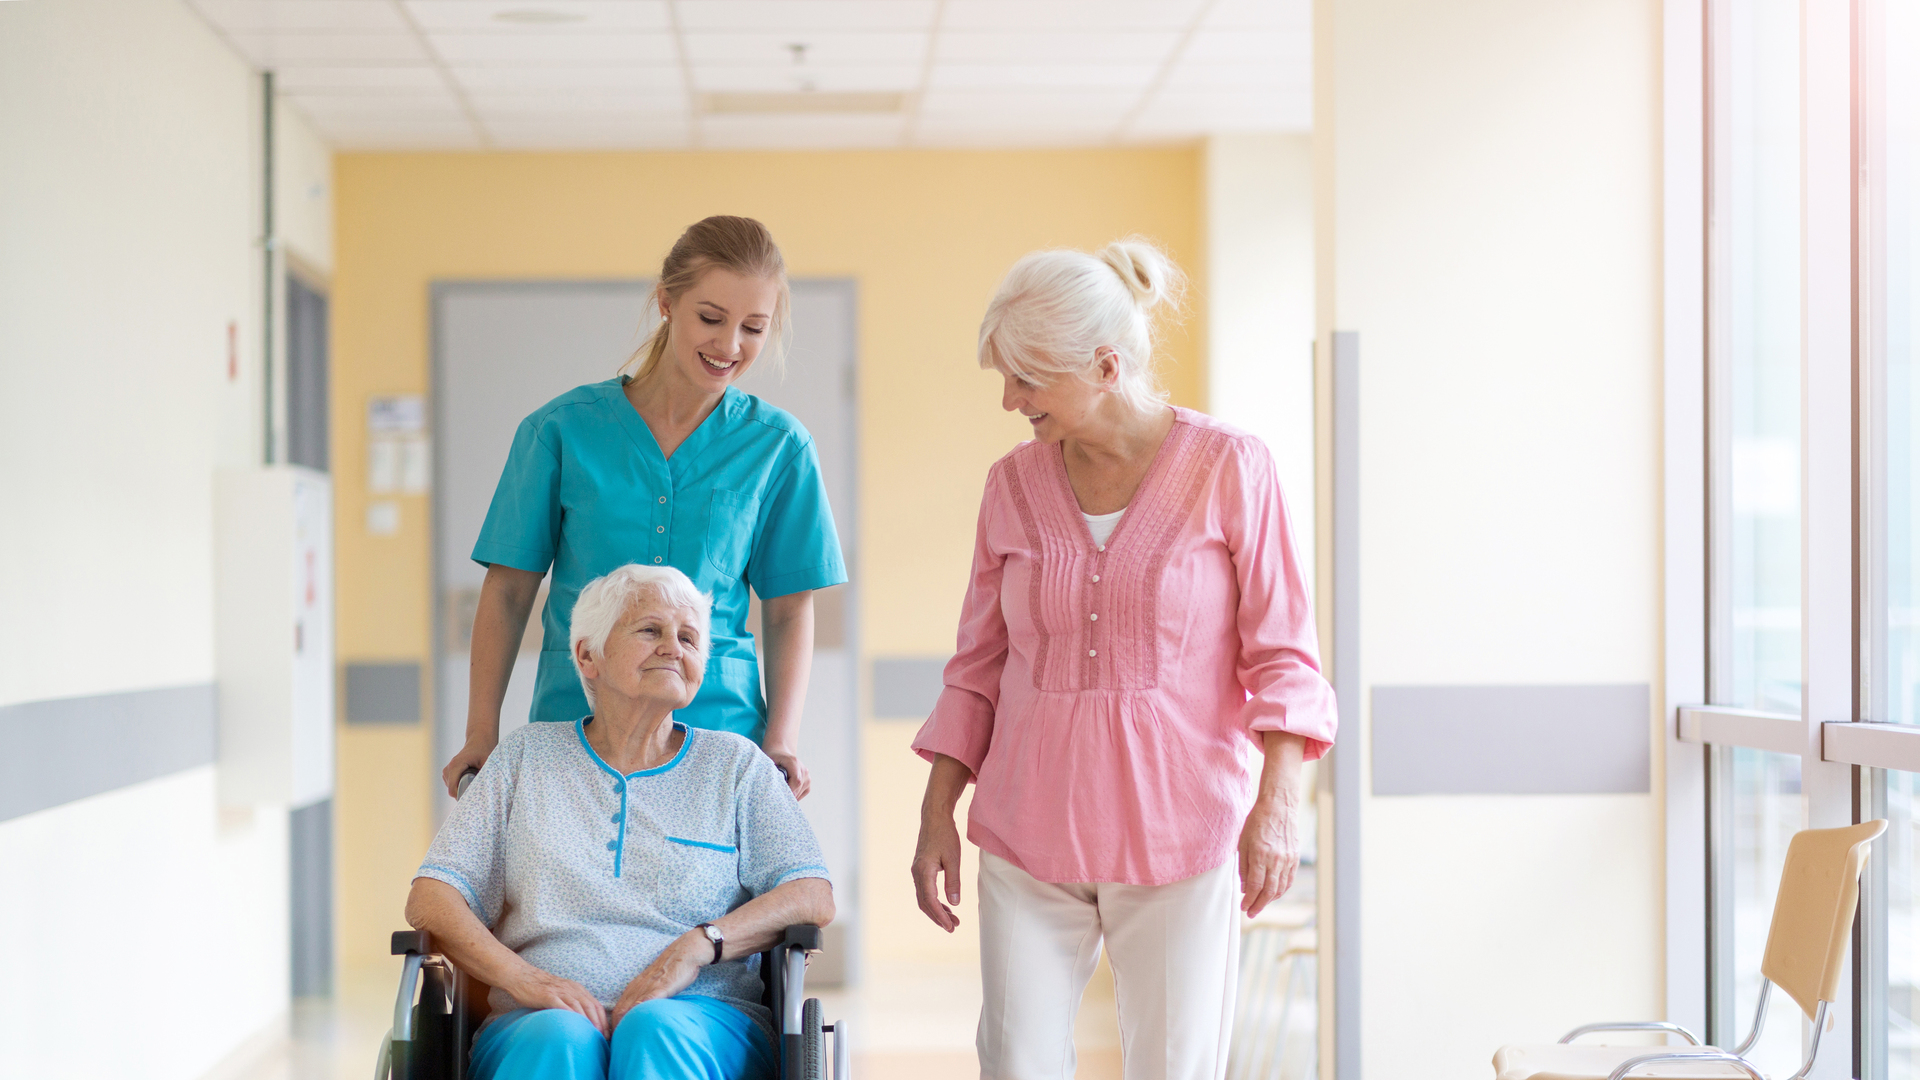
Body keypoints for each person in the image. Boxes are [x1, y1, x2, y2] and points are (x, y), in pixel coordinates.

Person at [908, 239, 1337, 1080]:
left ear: (1105, 366)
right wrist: (935, 815)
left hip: (1181, 834)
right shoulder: (1011, 486)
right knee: (1015, 1062)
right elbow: (978, 668)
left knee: (1176, 1068)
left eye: (1027, 379)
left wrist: (1279, 806)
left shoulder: (1231, 467)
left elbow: (1285, 657)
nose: (1008, 400)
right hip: (1031, 832)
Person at [442, 216, 847, 799]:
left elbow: (787, 610)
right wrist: (481, 731)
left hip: (718, 733)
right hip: (573, 729)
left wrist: (780, 739)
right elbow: (507, 593)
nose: (729, 345)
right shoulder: (561, 431)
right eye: (710, 318)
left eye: (753, 328)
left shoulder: (778, 447)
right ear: (666, 302)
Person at [408, 563, 835, 1080]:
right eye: (650, 630)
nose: (674, 647)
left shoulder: (737, 766)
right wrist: (526, 981)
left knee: (653, 1030)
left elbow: (811, 891)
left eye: (689, 637)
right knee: (558, 1036)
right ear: (588, 655)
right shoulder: (526, 757)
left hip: (703, 1020)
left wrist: (699, 946)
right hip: (538, 1019)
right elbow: (432, 898)